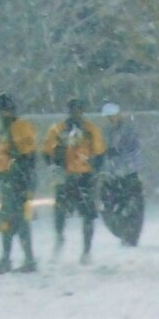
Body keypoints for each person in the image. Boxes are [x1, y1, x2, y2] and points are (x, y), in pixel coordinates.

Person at [43, 97, 106, 263]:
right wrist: (53, 165)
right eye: (73, 110)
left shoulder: (91, 129)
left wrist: (96, 172)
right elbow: (47, 152)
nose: (76, 113)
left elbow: (100, 153)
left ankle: (86, 251)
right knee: (60, 212)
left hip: (85, 177)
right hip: (66, 176)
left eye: (79, 110)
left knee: (88, 215)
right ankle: (59, 237)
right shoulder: (58, 130)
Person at [0, 94, 39, 274]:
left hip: (19, 180)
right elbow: (2, 161)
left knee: (20, 220)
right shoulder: (5, 131)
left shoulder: (20, 127)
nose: (3, 115)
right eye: (2, 111)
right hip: (9, 181)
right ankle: (8, 259)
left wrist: (25, 182)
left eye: (6, 111)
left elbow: (29, 157)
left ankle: (27, 260)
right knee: (7, 221)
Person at [97, 101, 146, 247]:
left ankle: (130, 236)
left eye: (113, 116)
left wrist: (119, 156)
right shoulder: (105, 132)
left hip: (128, 175)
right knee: (108, 208)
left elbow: (135, 151)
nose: (111, 119)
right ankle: (123, 232)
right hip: (111, 176)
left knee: (132, 207)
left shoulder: (128, 131)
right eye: (108, 117)